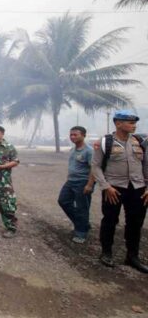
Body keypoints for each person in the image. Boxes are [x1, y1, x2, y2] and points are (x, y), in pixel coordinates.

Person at [91, 110, 148, 273]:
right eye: (130, 122)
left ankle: (132, 256)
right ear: (118, 123)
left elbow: (146, 165)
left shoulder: (139, 141)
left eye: (134, 122)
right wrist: (105, 186)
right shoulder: (105, 142)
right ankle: (106, 253)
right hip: (113, 188)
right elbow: (95, 166)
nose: (134, 125)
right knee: (110, 220)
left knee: (135, 223)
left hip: (138, 189)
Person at [57, 126, 95, 244]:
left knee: (82, 207)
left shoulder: (89, 151)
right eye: (71, 135)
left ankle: (81, 233)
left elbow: (94, 169)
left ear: (83, 135)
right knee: (63, 201)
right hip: (71, 181)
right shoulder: (72, 149)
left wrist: (89, 185)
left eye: (75, 135)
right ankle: (83, 224)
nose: (72, 137)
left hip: (83, 182)